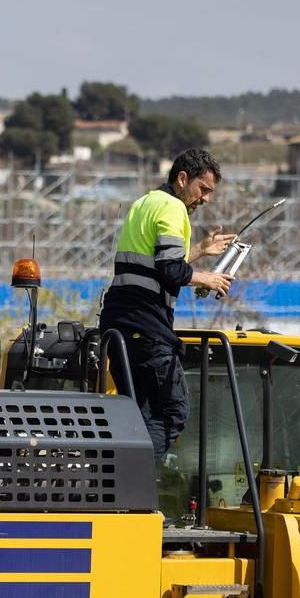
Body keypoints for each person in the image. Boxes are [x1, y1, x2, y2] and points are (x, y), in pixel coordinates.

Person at [98, 149, 236, 460]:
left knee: (137, 416)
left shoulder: (144, 204)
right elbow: (170, 270)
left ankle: (121, 484)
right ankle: (132, 484)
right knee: (172, 412)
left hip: (119, 326)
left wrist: (200, 249)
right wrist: (207, 279)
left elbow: (155, 263)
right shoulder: (173, 208)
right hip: (148, 328)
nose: (206, 199)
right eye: (204, 189)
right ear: (183, 178)